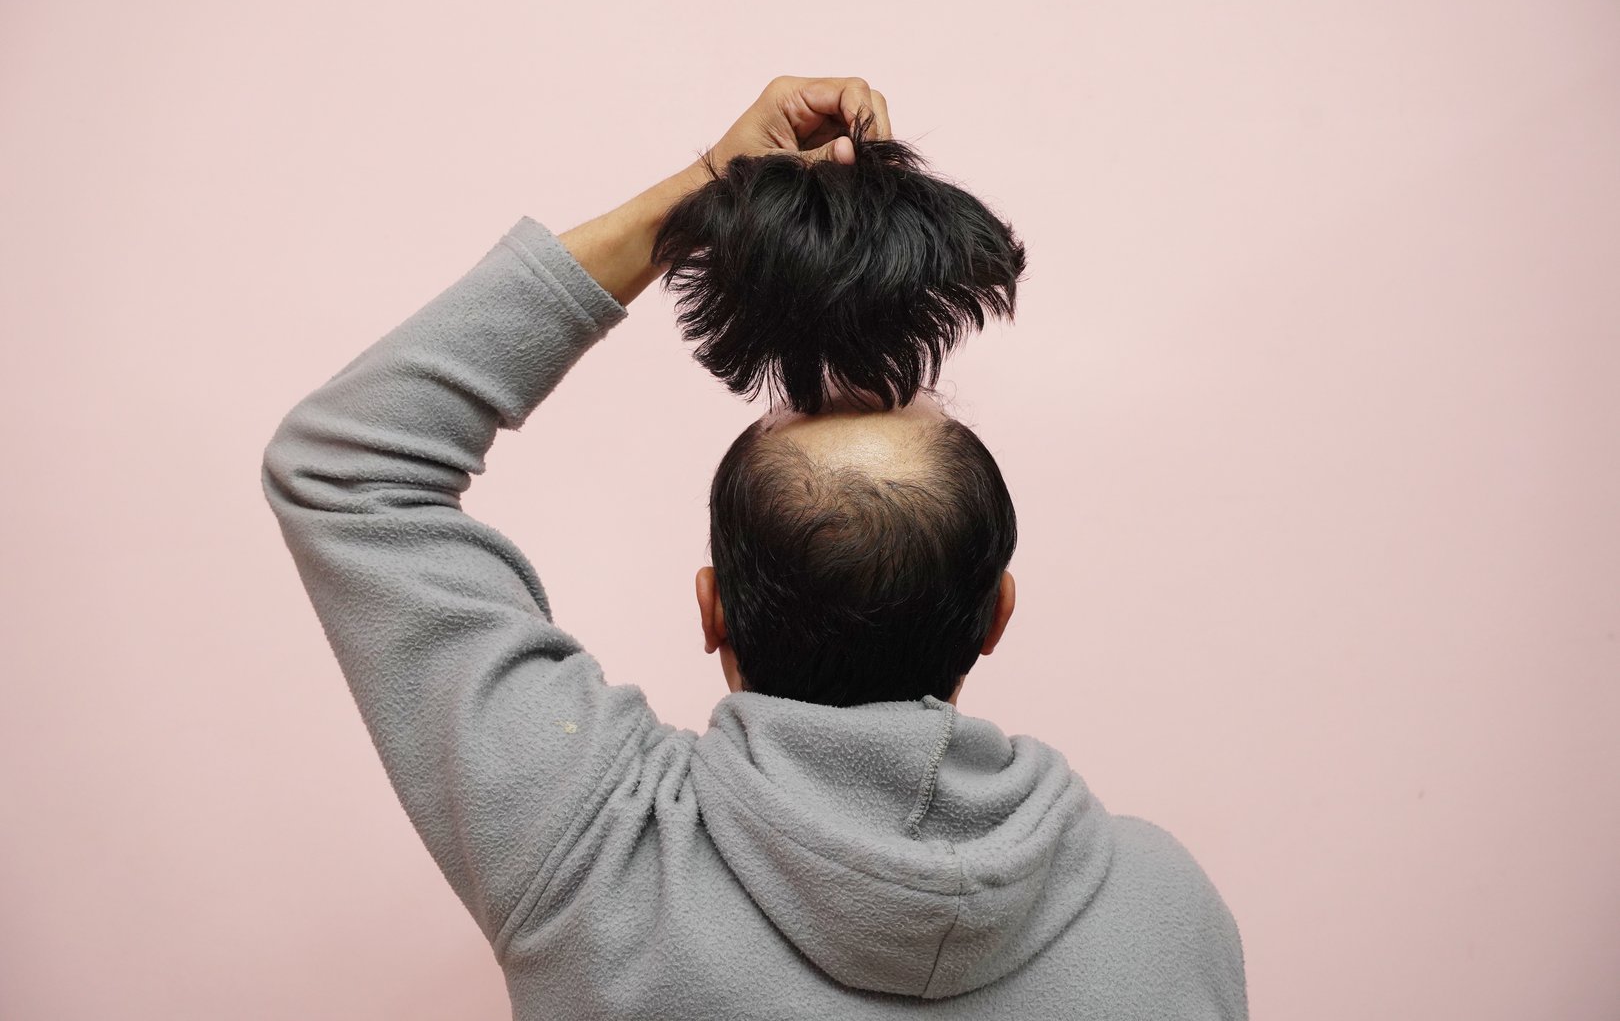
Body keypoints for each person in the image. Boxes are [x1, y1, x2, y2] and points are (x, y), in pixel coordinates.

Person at [261, 76, 1248, 1019]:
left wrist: (702, 198)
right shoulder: (1165, 915)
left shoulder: (599, 857)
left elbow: (348, 468)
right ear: (997, 613)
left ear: (713, 612)